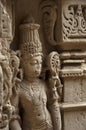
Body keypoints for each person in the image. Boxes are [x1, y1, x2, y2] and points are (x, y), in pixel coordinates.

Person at [10, 18, 62, 130]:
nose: (38, 67)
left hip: (49, 126)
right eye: (33, 63)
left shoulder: (44, 84)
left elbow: (53, 105)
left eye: (39, 62)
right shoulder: (18, 88)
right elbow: (14, 116)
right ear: (23, 63)